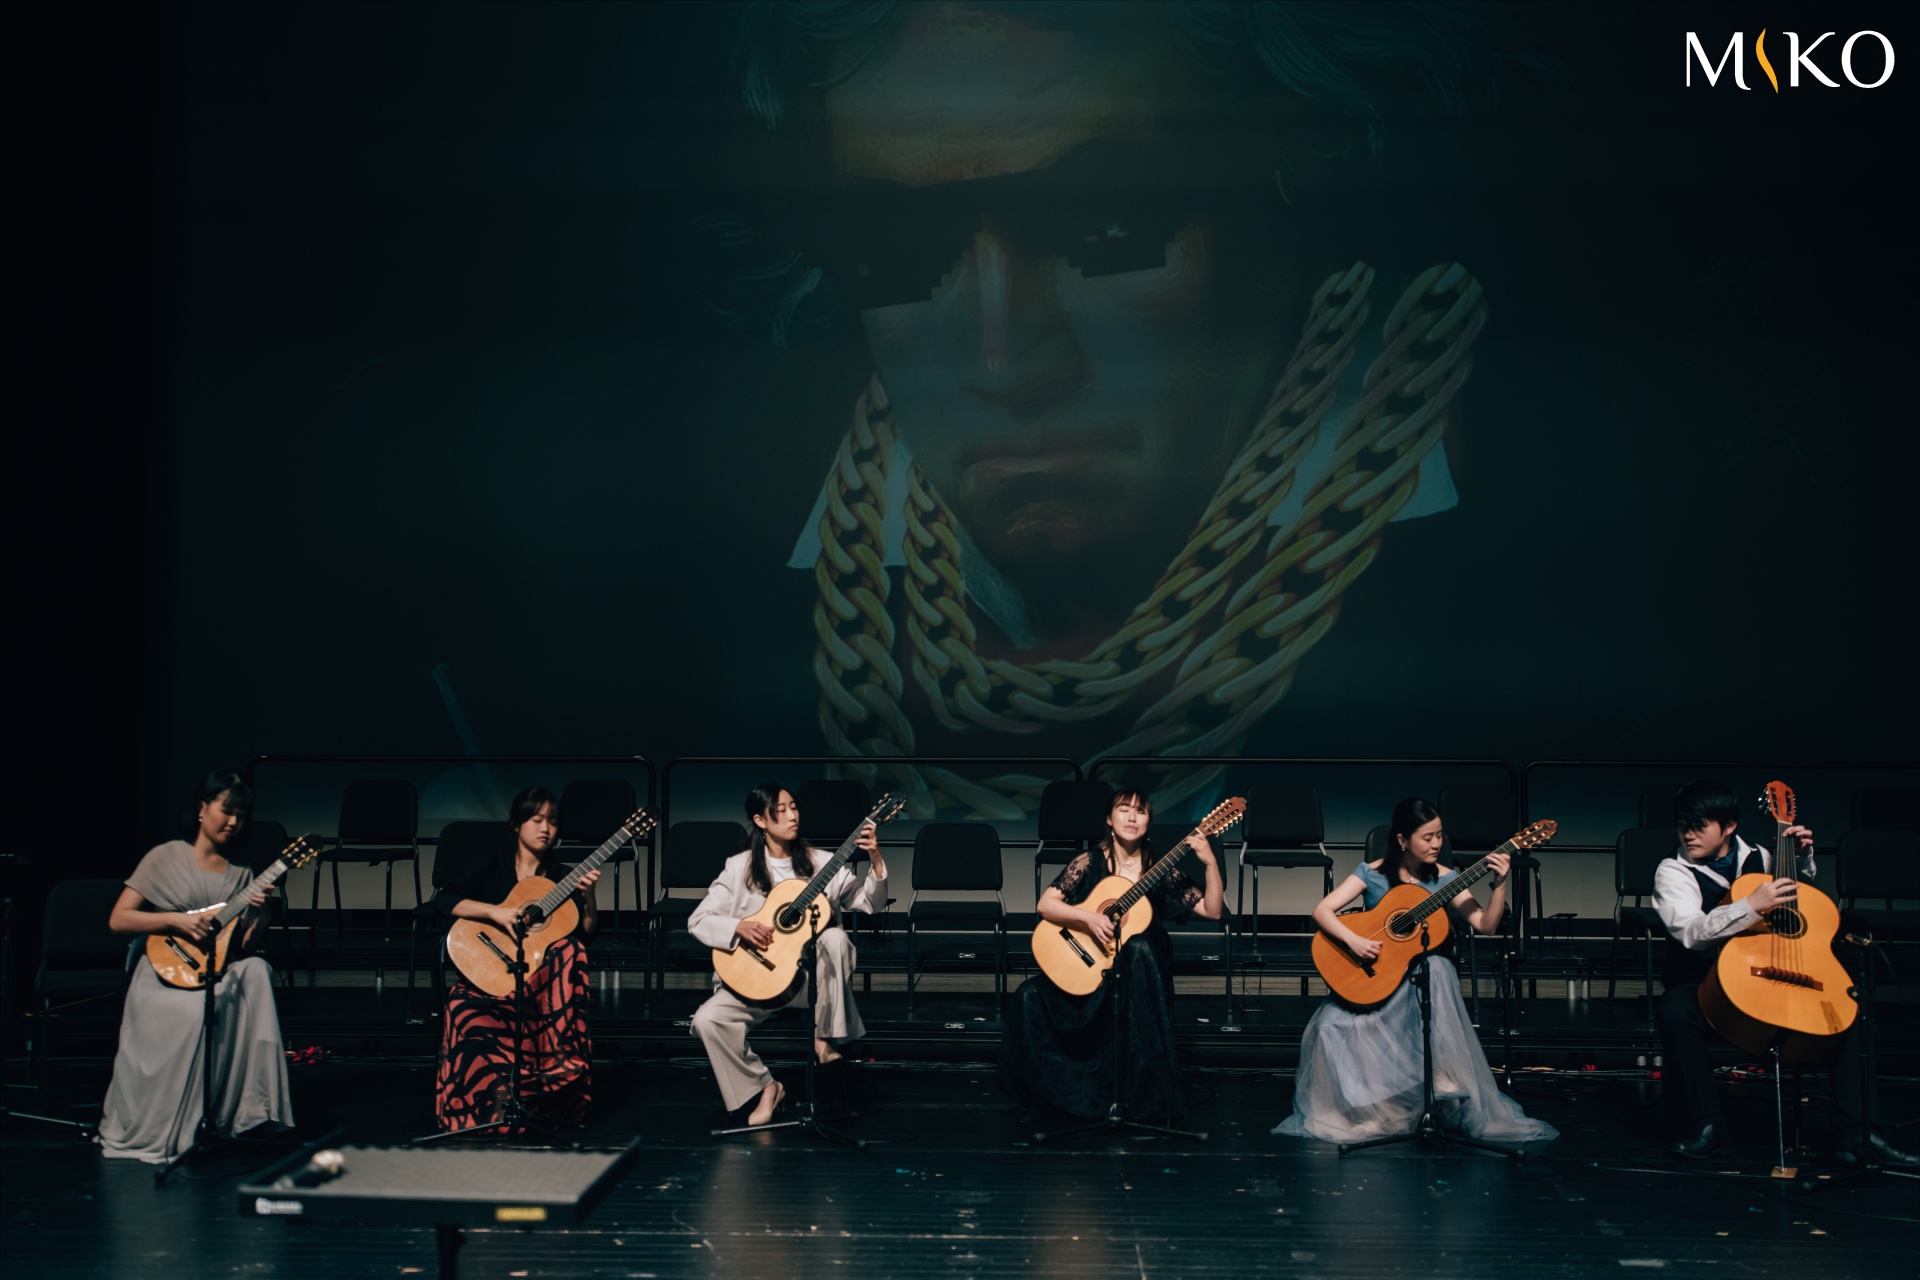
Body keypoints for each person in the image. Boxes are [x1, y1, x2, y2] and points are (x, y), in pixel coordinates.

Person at [1653, 780, 1915, 1165]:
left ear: (1729, 826)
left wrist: (1801, 858)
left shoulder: (1763, 856)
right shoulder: (1672, 871)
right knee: (1675, 1011)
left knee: (1848, 1015)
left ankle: (1858, 1134)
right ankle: (1708, 1125)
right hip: (1706, 982)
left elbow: (1800, 899)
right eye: (1682, 826)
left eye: (1699, 826)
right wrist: (1750, 905)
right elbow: (1691, 933)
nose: (1687, 835)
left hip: (1771, 969)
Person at [1274, 797, 1555, 1146]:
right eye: (1427, 837)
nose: (1437, 843)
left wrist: (1499, 885)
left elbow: (1486, 925)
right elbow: (1322, 911)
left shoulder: (1447, 879)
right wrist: (1354, 940)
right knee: (1330, 1025)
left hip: (1419, 986)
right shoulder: (1372, 872)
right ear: (1402, 840)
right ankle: (1372, 1112)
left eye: (1439, 835)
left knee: (1436, 966)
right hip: (1380, 982)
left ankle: (1440, 1072)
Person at [99, 769, 294, 1162]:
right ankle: (173, 1125)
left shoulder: (242, 873)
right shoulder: (164, 856)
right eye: (227, 810)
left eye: (241, 815)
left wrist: (262, 914)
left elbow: (242, 947)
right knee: (194, 1012)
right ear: (202, 809)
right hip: (162, 974)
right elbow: (119, 920)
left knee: (257, 971)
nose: (234, 822)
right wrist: (176, 920)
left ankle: (247, 1113)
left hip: (214, 973)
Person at [1000, 788, 1223, 1124]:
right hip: (1092, 966)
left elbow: (1212, 910)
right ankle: (1058, 1098)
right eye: (1124, 809)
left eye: (1140, 811)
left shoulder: (1159, 869)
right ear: (1108, 819)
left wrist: (1210, 862)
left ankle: (1138, 1100)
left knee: (1138, 948)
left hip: (1139, 974)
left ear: (1148, 822)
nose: (1132, 817)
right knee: (1029, 994)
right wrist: (1089, 918)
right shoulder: (1088, 862)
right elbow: (1046, 905)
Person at [688, 784, 885, 1124]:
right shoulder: (739, 867)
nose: (793, 815)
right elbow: (698, 920)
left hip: (810, 985)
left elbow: (871, 903)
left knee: (835, 937)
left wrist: (876, 859)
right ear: (760, 820)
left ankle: (823, 1037)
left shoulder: (823, 862)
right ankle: (765, 1087)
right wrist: (738, 926)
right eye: (781, 810)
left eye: (794, 807)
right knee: (707, 1020)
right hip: (755, 978)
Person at [430, 786, 600, 1132]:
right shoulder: (494, 867)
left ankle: (545, 1101)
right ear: (516, 825)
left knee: (573, 949)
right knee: (461, 1008)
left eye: (553, 821)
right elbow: (444, 899)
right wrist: (495, 912)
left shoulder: (562, 877)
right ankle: (478, 1112)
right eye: (536, 819)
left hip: (542, 987)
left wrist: (590, 898)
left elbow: (584, 934)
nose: (545, 828)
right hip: (493, 975)